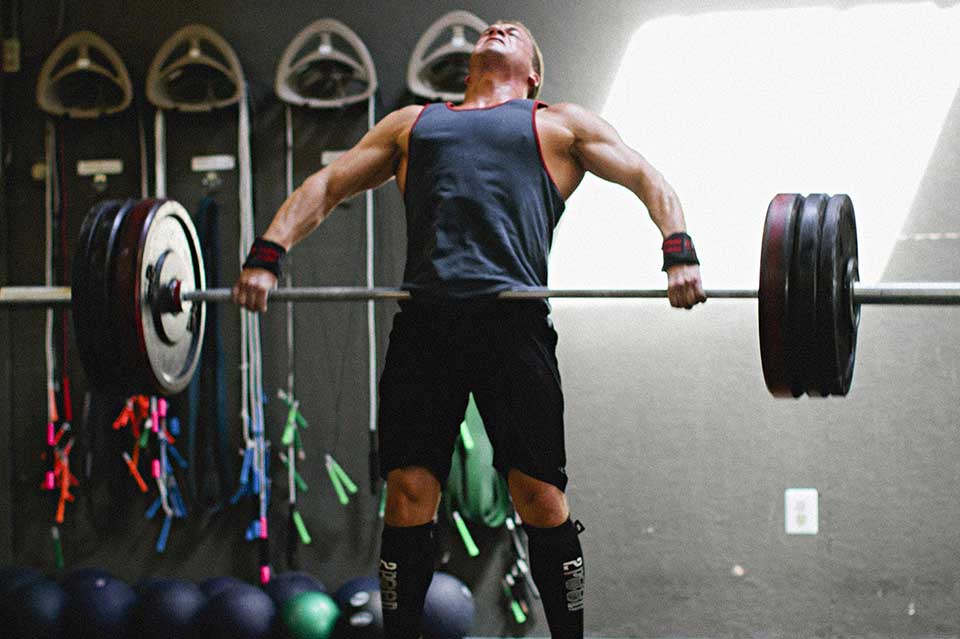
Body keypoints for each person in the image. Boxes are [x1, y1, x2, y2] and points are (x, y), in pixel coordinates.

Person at [233, 19, 706, 639]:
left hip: (513, 325)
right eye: (492, 28)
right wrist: (268, 253)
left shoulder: (560, 122)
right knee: (406, 494)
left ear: (533, 73)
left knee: (539, 499)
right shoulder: (414, 123)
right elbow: (326, 186)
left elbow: (647, 176)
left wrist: (678, 248)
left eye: (514, 32)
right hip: (427, 323)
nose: (498, 26)